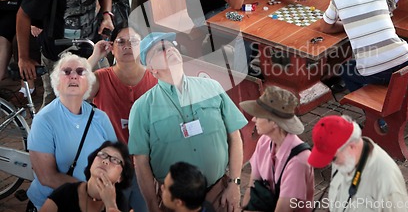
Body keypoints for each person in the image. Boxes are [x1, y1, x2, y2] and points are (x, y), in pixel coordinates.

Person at [128, 32, 248, 212]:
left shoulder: (212, 87)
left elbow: (235, 136)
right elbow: (141, 161)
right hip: (174, 203)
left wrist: (234, 184)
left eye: (170, 45)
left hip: (219, 194)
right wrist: (152, 205)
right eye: (161, 49)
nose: (169, 49)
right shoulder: (142, 108)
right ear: (152, 69)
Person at [27, 53, 117, 210]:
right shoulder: (44, 120)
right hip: (57, 203)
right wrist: (91, 191)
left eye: (81, 72)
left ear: (88, 82)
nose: (74, 76)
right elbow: (46, 177)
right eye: (67, 71)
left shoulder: (100, 117)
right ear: (56, 82)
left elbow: (117, 158)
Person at [88, 24, 157, 212]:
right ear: (111, 47)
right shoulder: (100, 78)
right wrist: (95, 56)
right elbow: (74, 89)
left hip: (147, 165)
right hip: (111, 166)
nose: (127, 46)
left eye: (133, 42)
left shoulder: (156, 78)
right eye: (121, 41)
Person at [320, 0, 408, 92]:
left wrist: (349, 24)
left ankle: (366, 102)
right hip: (405, 61)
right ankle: (400, 86)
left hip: (374, 72)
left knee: (345, 69)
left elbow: (325, 27)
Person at [308, 115, 408, 212]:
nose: (330, 163)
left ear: (351, 146)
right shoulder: (344, 158)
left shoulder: (386, 178)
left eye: (333, 158)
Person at [240, 86, 314, 212]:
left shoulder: (299, 160)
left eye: (258, 115)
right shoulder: (264, 141)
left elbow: (284, 209)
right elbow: (252, 186)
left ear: (274, 122)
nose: (253, 119)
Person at [39, 141, 134, 212]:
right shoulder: (66, 192)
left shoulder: (121, 202)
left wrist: (111, 205)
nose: (105, 161)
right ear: (92, 162)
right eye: (103, 154)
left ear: (120, 177)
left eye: (115, 159)